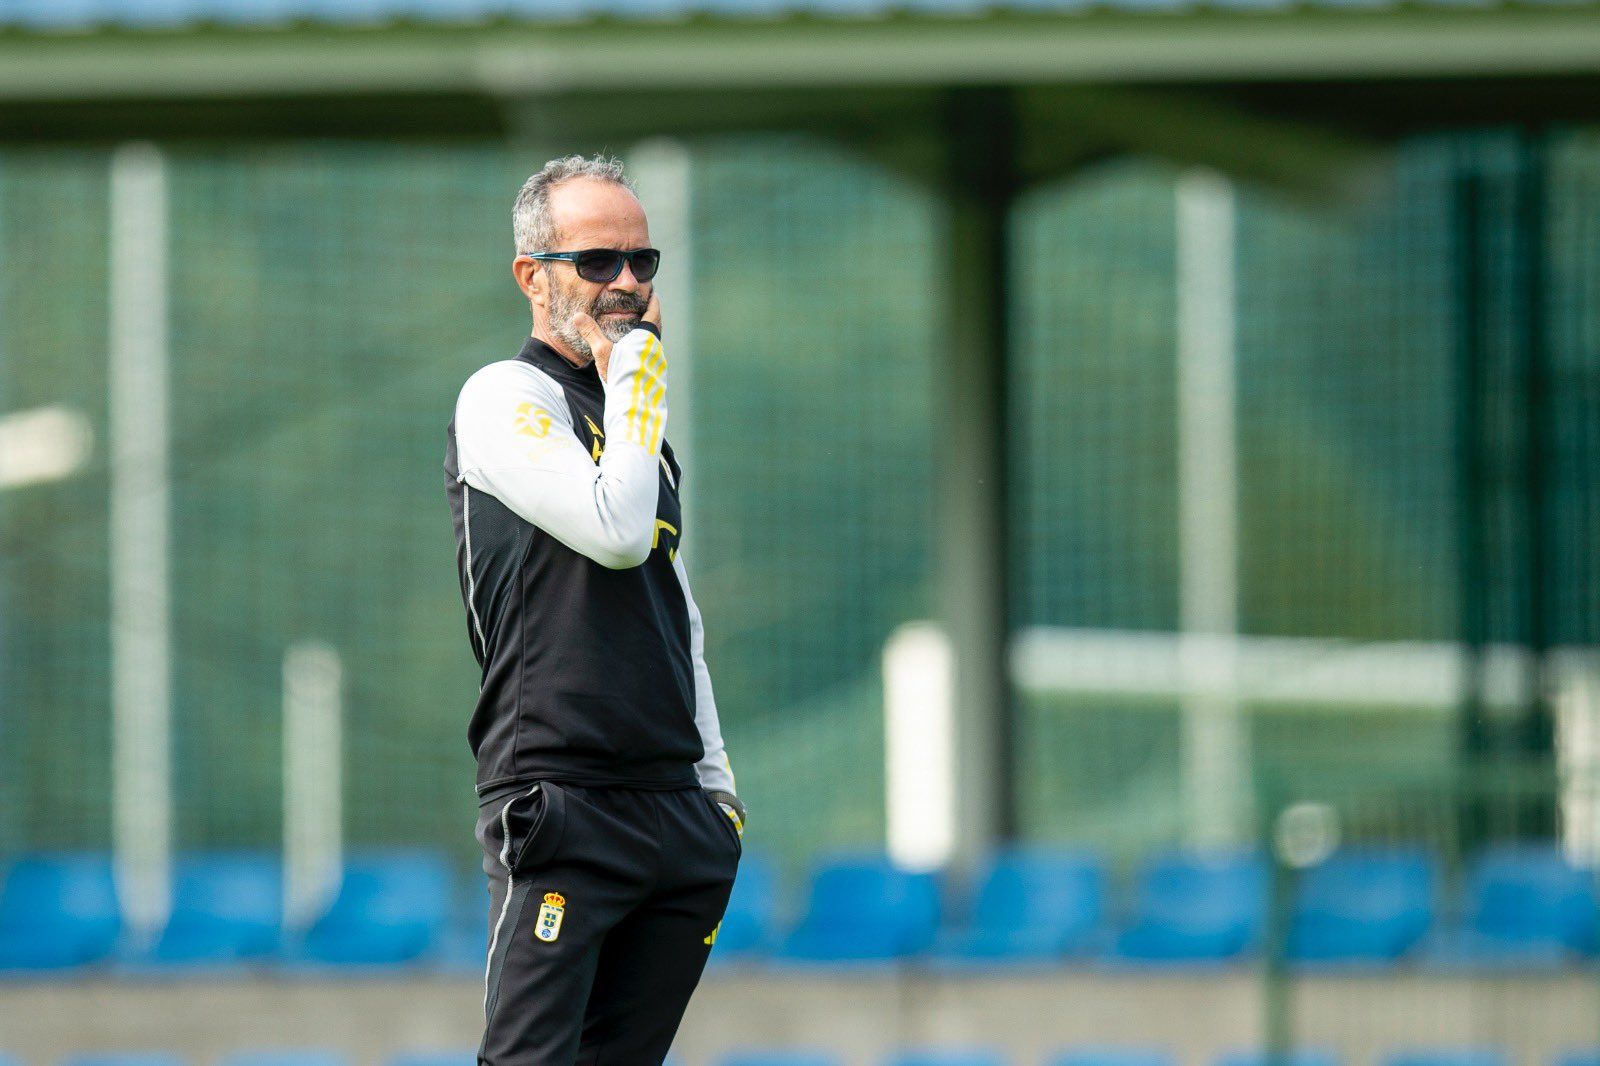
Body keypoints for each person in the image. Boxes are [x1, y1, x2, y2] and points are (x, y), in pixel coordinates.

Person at [443, 154, 745, 1066]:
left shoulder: (631, 418)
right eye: (599, 262)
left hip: (676, 808)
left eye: (642, 263)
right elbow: (614, 532)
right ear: (532, 277)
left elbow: (669, 603)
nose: (625, 284)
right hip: (564, 797)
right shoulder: (504, 396)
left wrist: (718, 793)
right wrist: (638, 374)